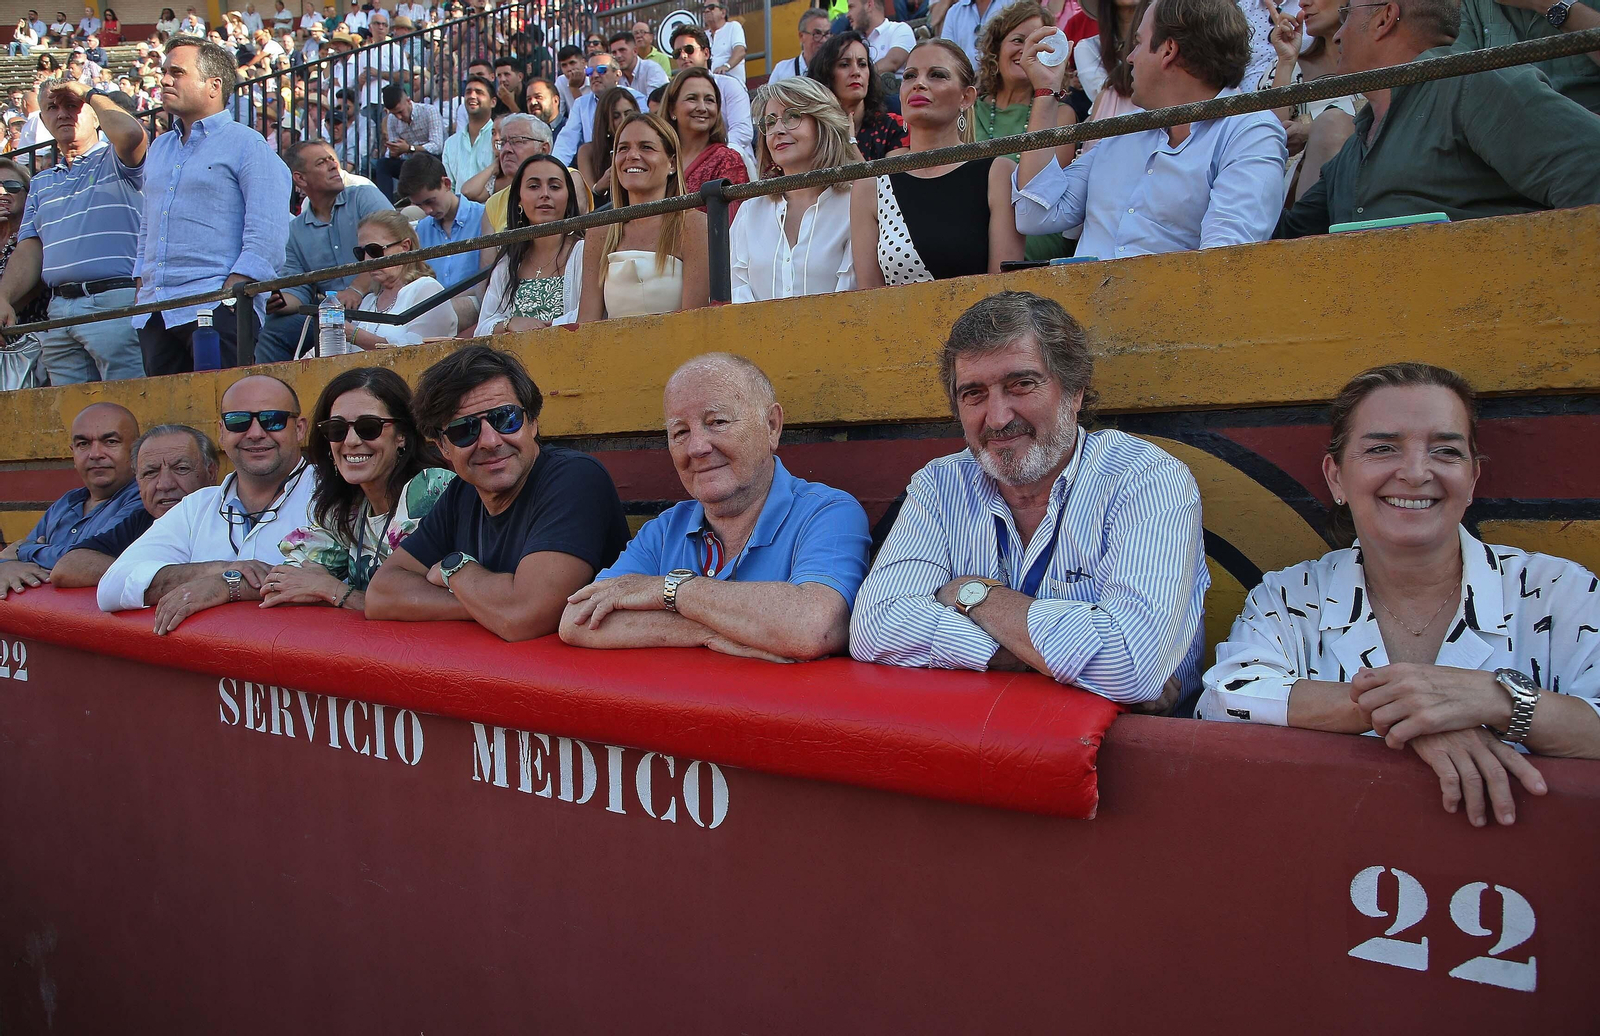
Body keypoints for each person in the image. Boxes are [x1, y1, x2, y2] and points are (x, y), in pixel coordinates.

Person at [1199, 363, 1600, 826]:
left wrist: (1495, 699)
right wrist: (1409, 714)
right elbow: (1224, 698)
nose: (1414, 473)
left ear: (1471, 480)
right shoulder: (1289, 597)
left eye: (1445, 451)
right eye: (1382, 448)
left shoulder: (1560, 593)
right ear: (1336, 478)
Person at [851, 291, 1208, 711]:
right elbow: (875, 627)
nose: (998, 417)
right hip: (975, 740)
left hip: (1128, 759)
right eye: (974, 394)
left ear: (1074, 393)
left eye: (1021, 384)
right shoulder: (940, 484)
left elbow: (1130, 662)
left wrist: (975, 596)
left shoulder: (1145, 479)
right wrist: (1043, 659)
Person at [561, 353, 871, 661]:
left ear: (771, 426)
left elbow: (815, 626)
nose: (697, 447)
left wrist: (669, 590)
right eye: (681, 432)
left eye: (718, 422)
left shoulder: (828, 513)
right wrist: (706, 632)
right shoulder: (665, 528)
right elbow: (577, 620)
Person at [365, 345, 630, 642]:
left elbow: (524, 616)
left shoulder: (575, 478)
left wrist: (455, 571)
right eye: (464, 429)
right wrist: (486, 605)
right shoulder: (461, 493)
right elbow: (381, 593)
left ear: (532, 422)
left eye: (505, 418)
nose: (490, 441)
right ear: (443, 447)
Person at [1276, 0, 1600, 237]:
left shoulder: (1476, 87)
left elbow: (1591, 170)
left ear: (1385, 18)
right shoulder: (1354, 149)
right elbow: (1288, 237)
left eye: (1347, 15)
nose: (1337, 36)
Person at [1012, 0, 1288, 259]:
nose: (1129, 58)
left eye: (1138, 43)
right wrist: (1046, 92)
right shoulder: (1127, 127)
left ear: (1168, 51)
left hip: (1172, 308)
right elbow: (1034, 213)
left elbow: (1223, 263)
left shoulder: (1251, 131)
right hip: (1082, 306)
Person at [97, 376, 317, 633]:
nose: (256, 433)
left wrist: (228, 586)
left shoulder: (332, 497)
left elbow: (340, 584)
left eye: (273, 420)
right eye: (238, 421)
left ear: (300, 428)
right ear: (222, 432)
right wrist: (222, 570)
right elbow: (112, 588)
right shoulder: (196, 507)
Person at [135, 36, 291, 376]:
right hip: (156, 311)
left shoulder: (247, 145)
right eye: (164, 71)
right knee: (168, 420)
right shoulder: (159, 149)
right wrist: (141, 285)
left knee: (223, 413)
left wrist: (232, 297)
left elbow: (268, 232)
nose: (164, 80)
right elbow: (149, 224)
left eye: (177, 72)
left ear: (213, 85)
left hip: (217, 307)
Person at [268, 367, 453, 610]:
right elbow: (292, 574)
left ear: (402, 435)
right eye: (337, 429)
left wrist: (332, 590)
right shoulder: (348, 507)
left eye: (369, 427)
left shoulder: (431, 488)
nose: (351, 441)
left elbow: (425, 603)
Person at [0, 79, 146, 385]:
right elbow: (29, 250)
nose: (63, 114)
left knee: (130, 408)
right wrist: (2, 297)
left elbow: (132, 134)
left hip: (115, 302)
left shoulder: (116, 160)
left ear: (94, 113)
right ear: (42, 120)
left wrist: (90, 95)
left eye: (73, 105)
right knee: (74, 421)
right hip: (60, 311)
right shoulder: (40, 183)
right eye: (52, 108)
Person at [852, 40, 1023, 285]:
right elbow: (868, 299)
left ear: (966, 97)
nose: (919, 84)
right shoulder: (871, 184)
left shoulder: (998, 174)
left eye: (937, 75)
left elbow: (1005, 291)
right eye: (910, 76)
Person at [258, 140, 391, 363]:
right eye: (322, 162)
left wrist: (356, 289)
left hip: (382, 300)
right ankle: (270, 393)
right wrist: (276, 300)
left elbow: (395, 247)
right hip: (332, 315)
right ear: (300, 178)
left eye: (332, 160)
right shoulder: (296, 230)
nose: (333, 166)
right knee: (275, 329)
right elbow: (298, 290)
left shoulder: (364, 196)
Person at [732, 78, 859, 302]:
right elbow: (735, 291)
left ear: (823, 123)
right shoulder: (749, 211)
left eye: (792, 116)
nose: (777, 130)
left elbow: (852, 295)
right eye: (770, 123)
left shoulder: (855, 205)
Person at [49, 424, 221, 589]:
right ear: (138, 482)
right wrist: (162, 576)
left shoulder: (233, 516)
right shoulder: (143, 520)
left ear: (211, 473)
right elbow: (68, 567)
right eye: (150, 473)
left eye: (181, 468)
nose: (164, 485)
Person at [0, 403, 144, 597]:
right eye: (83, 444)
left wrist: (24, 551)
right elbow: (9, 558)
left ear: (136, 449)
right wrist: (6, 567)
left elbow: (78, 562)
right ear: (73, 453)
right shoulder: (66, 503)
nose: (95, 454)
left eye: (110, 441)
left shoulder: (144, 500)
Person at [972, 2, 1079, 261]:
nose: (1027, 50)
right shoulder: (967, 109)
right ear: (996, 48)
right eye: (1018, 40)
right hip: (971, 224)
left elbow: (1042, 194)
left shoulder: (1062, 114)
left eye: (1038, 42)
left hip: (1032, 234)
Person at [578, 113, 710, 320]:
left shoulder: (694, 225)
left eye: (646, 147)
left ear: (672, 163)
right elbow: (586, 324)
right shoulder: (599, 232)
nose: (632, 155)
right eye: (623, 148)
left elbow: (695, 322)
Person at [1257, 0, 1357, 203]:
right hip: (1297, 203)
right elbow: (1265, 140)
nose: (1303, 3)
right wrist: (1286, 62)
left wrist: (1310, 129)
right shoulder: (1288, 66)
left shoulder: (1380, 60)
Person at [477, 154, 585, 333]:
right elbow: (482, 328)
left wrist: (541, 329)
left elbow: (591, 314)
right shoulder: (508, 261)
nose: (545, 194)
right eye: (534, 186)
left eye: (555, 187)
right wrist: (509, 324)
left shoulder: (583, 253)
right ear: (519, 198)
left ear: (568, 198)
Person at [336, 209, 457, 350]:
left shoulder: (427, 289)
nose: (366, 260)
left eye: (374, 250)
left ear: (405, 247)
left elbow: (417, 352)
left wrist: (355, 335)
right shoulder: (369, 300)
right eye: (361, 253)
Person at [1454, 0, 1600, 113]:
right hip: (1509, 134)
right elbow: (1455, 91)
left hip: (1588, 131)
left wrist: (1550, 4)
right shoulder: (1470, 5)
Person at [808, 30, 908, 160]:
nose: (856, 72)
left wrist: (850, 141)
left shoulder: (894, 127)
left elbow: (888, 181)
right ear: (826, 74)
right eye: (844, 65)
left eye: (862, 64)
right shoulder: (811, 131)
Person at [397, 152, 486, 289]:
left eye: (430, 201)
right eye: (419, 205)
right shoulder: (422, 229)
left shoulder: (484, 217)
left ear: (446, 184)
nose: (427, 211)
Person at [665, 67, 750, 201]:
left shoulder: (727, 160)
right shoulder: (658, 157)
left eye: (709, 100)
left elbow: (733, 219)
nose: (702, 108)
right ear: (672, 109)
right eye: (692, 98)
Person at [668, 25, 755, 156]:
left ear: (706, 53)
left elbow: (742, 130)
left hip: (732, 161)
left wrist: (713, 157)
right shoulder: (672, 92)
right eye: (677, 53)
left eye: (689, 49)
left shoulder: (730, 85)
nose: (683, 56)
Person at [552, 53, 647, 165]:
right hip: (596, 166)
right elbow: (567, 141)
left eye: (602, 70)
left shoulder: (636, 98)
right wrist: (555, 169)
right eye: (590, 71)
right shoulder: (581, 104)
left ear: (617, 74)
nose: (595, 75)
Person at [474, 113, 556, 230]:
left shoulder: (568, 180)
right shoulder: (493, 203)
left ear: (543, 149)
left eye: (517, 141)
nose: (506, 150)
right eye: (502, 143)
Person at [0, 160, 50, 335]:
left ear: (28, 194)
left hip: (30, 339)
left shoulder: (39, 235)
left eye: (11, 186)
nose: (2, 192)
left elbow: (32, 285)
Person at [576, 85, 641, 208]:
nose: (624, 120)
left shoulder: (646, 148)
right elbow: (585, 201)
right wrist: (601, 185)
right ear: (605, 121)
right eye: (616, 116)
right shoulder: (588, 152)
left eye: (628, 113)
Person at [375, 82, 444, 198]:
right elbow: (394, 147)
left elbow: (437, 146)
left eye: (400, 112)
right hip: (410, 164)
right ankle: (386, 207)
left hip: (433, 162)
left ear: (408, 101)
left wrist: (409, 148)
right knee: (382, 164)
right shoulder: (392, 119)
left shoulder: (429, 111)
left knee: (432, 156)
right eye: (394, 113)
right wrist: (393, 152)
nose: (398, 117)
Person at [442, 74, 496, 187]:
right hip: (459, 204)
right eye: (468, 92)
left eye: (479, 92)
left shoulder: (501, 138)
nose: (472, 96)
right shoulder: (451, 144)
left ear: (493, 102)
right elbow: (449, 187)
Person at [934, 0, 1023, 64]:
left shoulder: (1014, 5)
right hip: (966, 84)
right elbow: (946, 57)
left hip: (1000, 83)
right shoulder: (954, 12)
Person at [850, 0, 917, 79]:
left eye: (851, 7)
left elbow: (892, 62)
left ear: (869, 5)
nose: (847, 14)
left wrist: (857, 77)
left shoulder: (899, 29)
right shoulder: (856, 41)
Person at [770, 7, 833, 82]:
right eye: (817, 34)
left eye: (827, 34)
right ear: (801, 36)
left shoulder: (835, 69)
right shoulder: (782, 70)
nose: (823, 40)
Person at [609, 29, 669, 95]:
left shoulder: (652, 69)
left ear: (635, 51)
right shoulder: (615, 76)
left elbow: (655, 103)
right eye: (614, 52)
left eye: (622, 50)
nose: (618, 56)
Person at [702, 0, 748, 81]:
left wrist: (726, 66)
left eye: (711, 7)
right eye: (704, 8)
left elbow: (740, 51)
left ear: (723, 13)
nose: (706, 10)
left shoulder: (733, 27)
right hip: (711, 87)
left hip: (733, 84)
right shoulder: (703, 35)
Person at [554, 44, 588, 110]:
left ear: (583, 63)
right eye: (564, 65)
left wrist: (574, 88)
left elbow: (587, 115)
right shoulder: (561, 81)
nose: (569, 68)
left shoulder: (593, 78)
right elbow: (558, 112)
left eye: (572, 63)